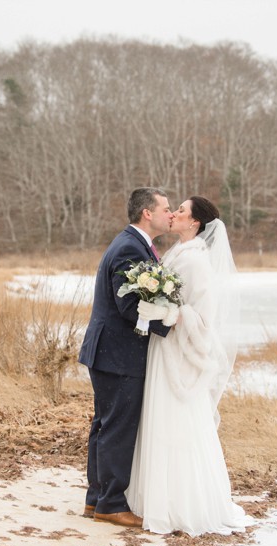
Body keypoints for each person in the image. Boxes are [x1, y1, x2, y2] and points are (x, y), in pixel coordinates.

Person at [126, 196, 252, 536]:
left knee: (176, 424)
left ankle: (179, 503)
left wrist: (169, 313)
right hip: (163, 349)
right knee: (159, 420)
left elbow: (203, 317)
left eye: (181, 211)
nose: (175, 214)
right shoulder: (178, 254)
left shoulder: (196, 262)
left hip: (178, 355)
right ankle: (154, 496)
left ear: (194, 223)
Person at [78, 187, 173, 528]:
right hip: (117, 354)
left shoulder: (133, 244)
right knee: (117, 428)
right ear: (147, 213)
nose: (170, 214)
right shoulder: (130, 248)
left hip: (109, 353)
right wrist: (169, 326)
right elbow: (130, 306)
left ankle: (97, 499)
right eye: (165, 208)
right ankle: (111, 504)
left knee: (105, 426)